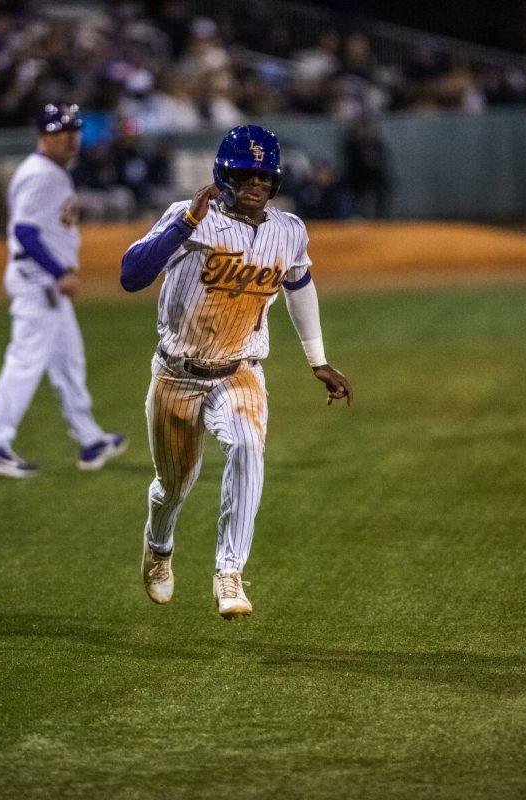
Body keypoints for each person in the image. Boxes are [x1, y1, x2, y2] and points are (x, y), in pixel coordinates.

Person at [119, 125, 352, 620]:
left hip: (239, 370)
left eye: (264, 177)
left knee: (248, 446)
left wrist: (318, 359)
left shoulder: (288, 230)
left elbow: (300, 283)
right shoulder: (190, 218)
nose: (255, 185)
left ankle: (229, 571)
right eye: (245, 175)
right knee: (173, 485)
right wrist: (183, 224)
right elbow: (130, 275)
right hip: (177, 374)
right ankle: (159, 548)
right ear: (223, 175)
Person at [0, 103, 126, 478]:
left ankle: (91, 440)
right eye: (62, 132)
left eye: (74, 130)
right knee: (26, 363)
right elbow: (24, 232)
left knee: (69, 362)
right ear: (44, 137)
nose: (71, 137)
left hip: (47, 286)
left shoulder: (53, 172)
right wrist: (58, 272)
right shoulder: (40, 174)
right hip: (38, 283)